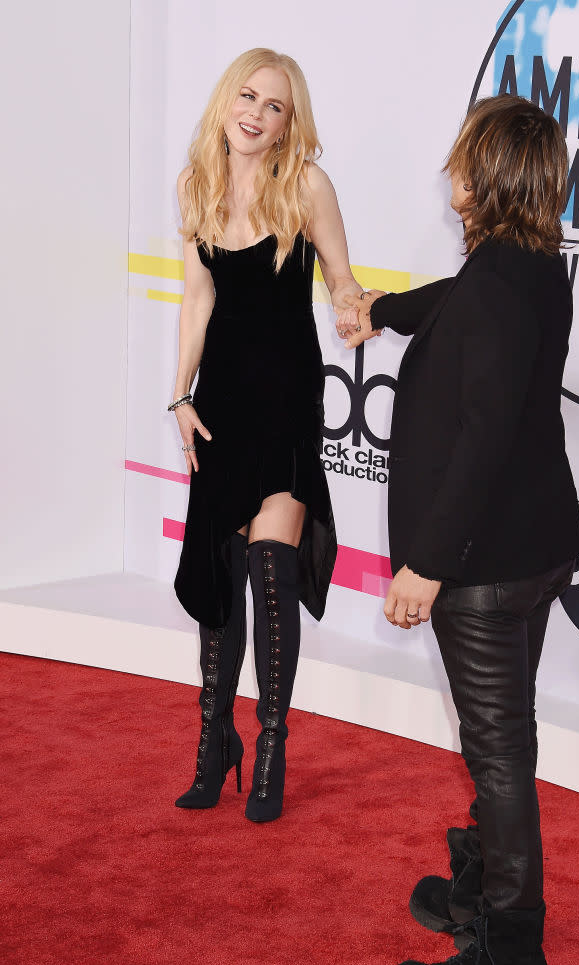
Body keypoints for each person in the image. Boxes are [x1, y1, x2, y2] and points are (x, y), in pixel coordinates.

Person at [337, 95, 579, 965]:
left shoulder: (498, 280)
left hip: (481, 571)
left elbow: (480, 440)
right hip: (536, 550)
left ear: (481, 173)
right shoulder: (529, 268)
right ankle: (487, 899)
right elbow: (456, 306)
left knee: (498, 759)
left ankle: (511, 958)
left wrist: (426, 566)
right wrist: (382, 311)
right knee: (503, 748)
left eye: (458, 156)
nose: (448, 170)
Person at [170, 48, 362, 823]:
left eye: (274, 106)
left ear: (290, 123)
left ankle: (272, 745)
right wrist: (178, 397)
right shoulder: (197, 188)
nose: (256, 112)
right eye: (247, 96)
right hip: (219, 406)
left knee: (271, 575)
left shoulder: (306, 185)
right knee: (219, 590)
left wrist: (353, 304)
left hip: (286, 403)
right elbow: (195, 302)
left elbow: (341, 278)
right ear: (226, 100)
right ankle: (216, 744)